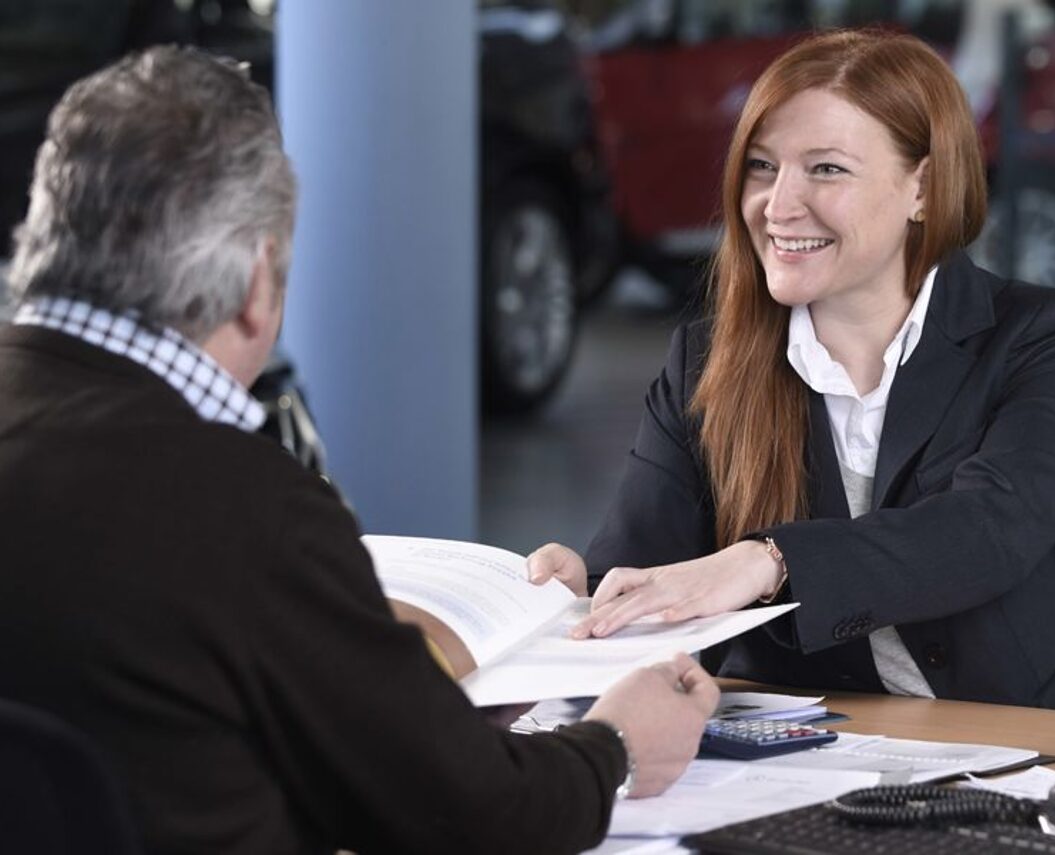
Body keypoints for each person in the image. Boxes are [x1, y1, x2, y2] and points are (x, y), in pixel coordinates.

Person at [0, 46, 716, 855]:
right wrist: (614, 749)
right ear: (254, 280)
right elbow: (475, 816)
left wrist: (408, 714)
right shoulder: (240, 505)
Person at [528, 28, 1055, 715]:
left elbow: (984, 530)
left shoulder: (1047, 336)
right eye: (762, 166)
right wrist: (588, 594)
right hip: (809, 759)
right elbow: (643, 574)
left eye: (826, 169)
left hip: (1035, 743)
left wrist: (768, 560)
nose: (778, 205)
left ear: (925, 190)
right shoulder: (705, 360)